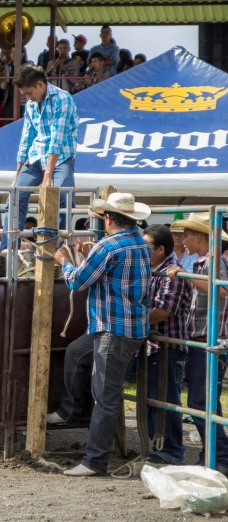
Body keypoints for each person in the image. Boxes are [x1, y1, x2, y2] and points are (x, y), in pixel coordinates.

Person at [49, 193, 151, 477]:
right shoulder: (139, 244)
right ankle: (68, 410)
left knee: (105, 397)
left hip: (112, 330)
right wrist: (84, 256)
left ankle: (95, 461)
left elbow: (77, 282)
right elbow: (105, 275)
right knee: (75, 352)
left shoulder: (107, 247)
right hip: (126, 328)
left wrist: (65, 260)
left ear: (108, 219)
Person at [166, 213, 228, 474]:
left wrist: (183, 275)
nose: (183, 240)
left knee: (200, 402)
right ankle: (213, 453)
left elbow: (222, 290)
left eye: (187, 235)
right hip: (203, 337)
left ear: (199, 236)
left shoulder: (212, 263)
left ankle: (221, 456)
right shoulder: (205, 261)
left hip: (210, 338)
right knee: (205, 401)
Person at [0, 65, 79, 252]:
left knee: (63, 197)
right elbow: (26, 137)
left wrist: (48, 174)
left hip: (61, 158)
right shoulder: (30, 105)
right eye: (24, 94)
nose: (28, 98)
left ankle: (57, 250)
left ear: (40, 85)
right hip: (35, 157)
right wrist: (17, 173)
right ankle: (7, 252)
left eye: (29, 93)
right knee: (14, 196)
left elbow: (57, 138)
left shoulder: (63, 99)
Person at [139, 225, 193, 465]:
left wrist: (130, 320)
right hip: (155, 345)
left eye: (146, 247)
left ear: (160, 249)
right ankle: (157, 447)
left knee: (167, 400)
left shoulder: (172, 273)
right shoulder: (154, 269)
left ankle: (171, 450)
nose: (142, 251)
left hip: (168, 347)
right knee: (154, 399)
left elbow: (162, 311)